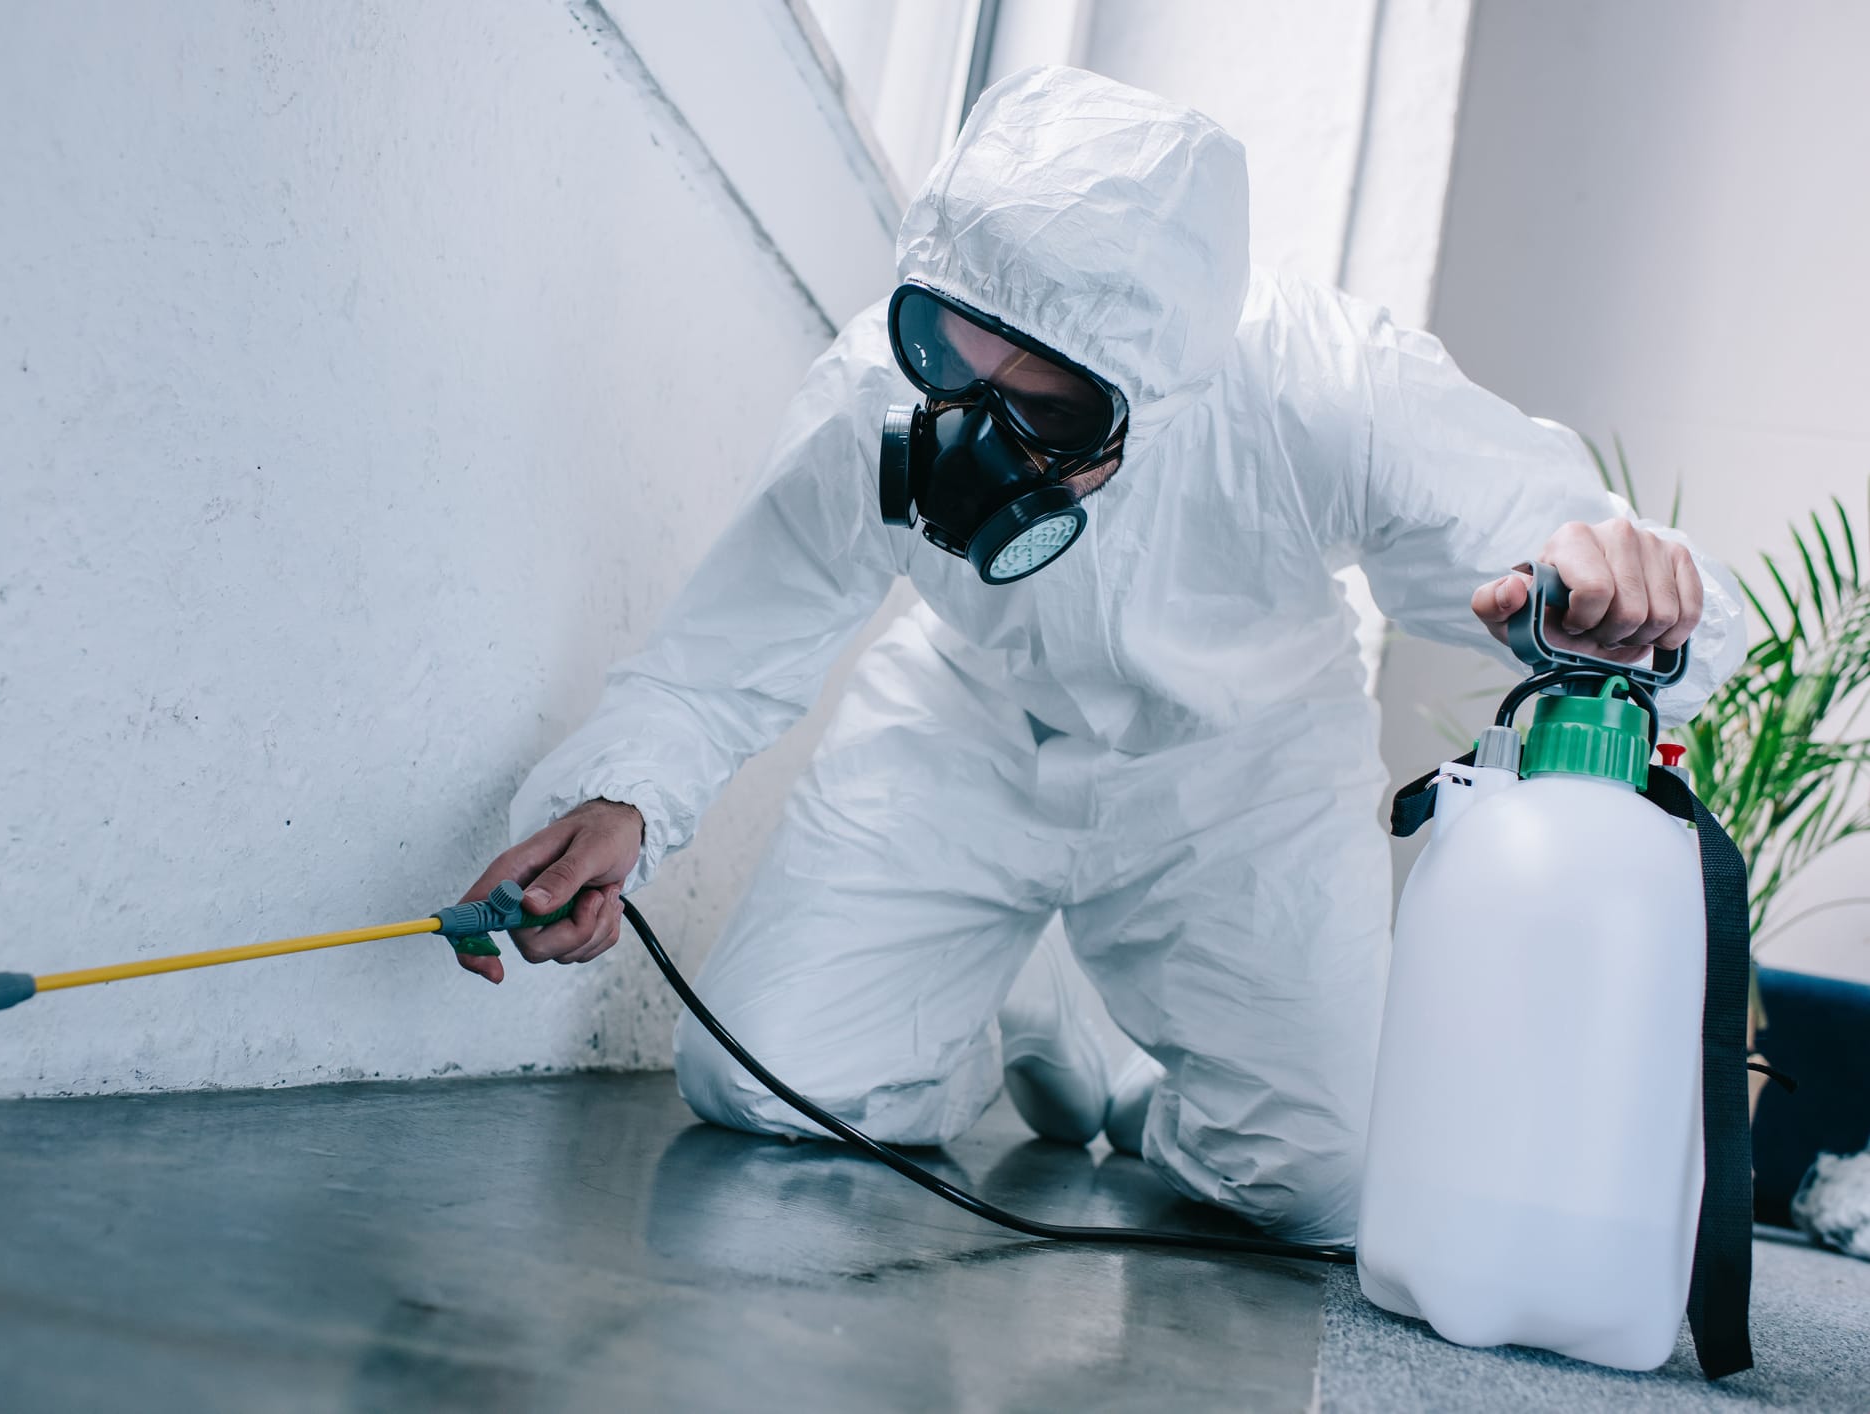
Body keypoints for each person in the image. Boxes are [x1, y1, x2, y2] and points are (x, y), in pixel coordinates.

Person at [456, 66, 1745, 1245]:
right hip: (964, 732)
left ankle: (1108, 1059)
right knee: (760, 1084)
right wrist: (622, 796)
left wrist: (1621, 599)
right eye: (952, 352)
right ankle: (990, 1004)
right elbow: (722, 651)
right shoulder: (870, 397)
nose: (973, 435)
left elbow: (1566, 551)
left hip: (1238, 773)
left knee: (1328, 1188)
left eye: (1054, 410)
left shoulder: (1326, 387)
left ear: (1162, 388)